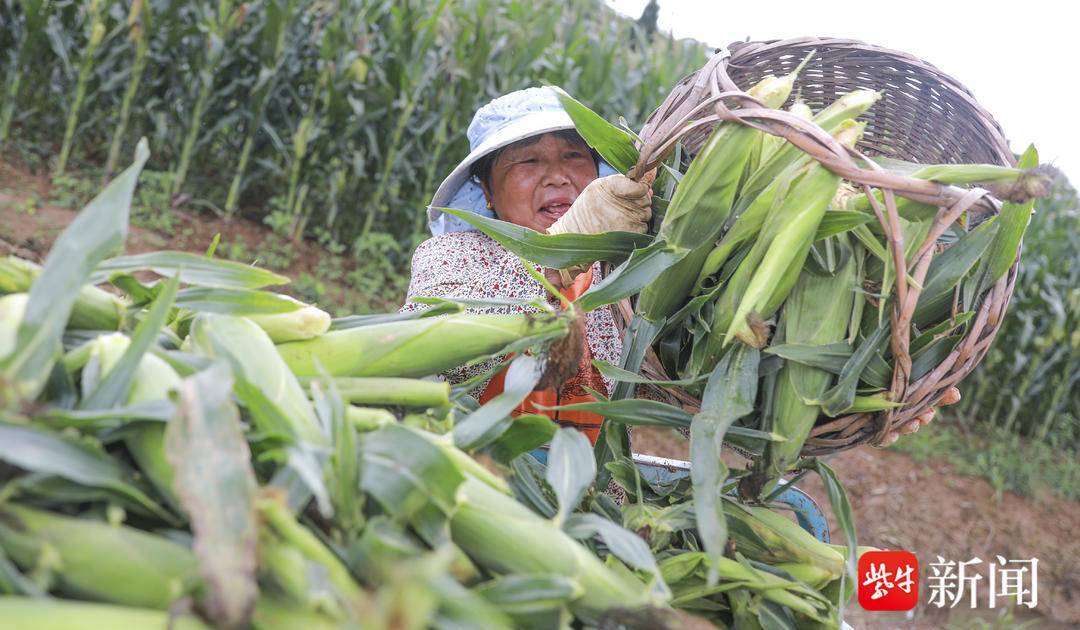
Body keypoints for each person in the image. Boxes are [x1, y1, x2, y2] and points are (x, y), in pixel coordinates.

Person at [401, 86, 956, 448]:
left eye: (574, 155)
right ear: (486, 193)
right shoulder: (453, 258)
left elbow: (691, 389)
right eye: (527, 161)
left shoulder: (619, 289)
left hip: (575, 501)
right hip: (462, 469)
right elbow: (451, 337)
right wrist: (562, 251)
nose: (556, 175)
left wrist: (866, 395)